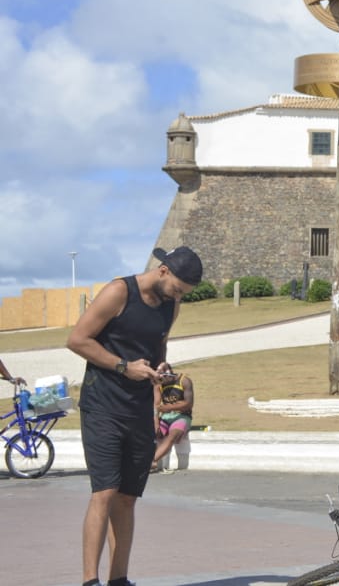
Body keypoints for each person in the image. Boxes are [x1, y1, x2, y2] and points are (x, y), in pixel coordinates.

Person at [67, 245, 202, 586]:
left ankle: (118, 579)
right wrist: (123, 366)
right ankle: (89, 581)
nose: (178, 296)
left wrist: (160, 366)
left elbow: (159, 343)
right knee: (105, 491)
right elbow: (77, 339)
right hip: (103, 405)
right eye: (177, 288)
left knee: (128, 497)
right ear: (163, 271)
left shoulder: (171, 304)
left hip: (139, 407)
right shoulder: (118, 291)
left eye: (184, 293)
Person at [151, 367, 194, 472]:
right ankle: (157, 464)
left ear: (169, 374)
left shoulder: (184, 381)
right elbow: (156, 407)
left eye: (163, 377)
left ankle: (152, 461)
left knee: (172, 435)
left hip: (182, 417)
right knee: (155, 435)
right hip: (165, 417)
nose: (161, 381)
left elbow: (188, 404)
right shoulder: (158, 385)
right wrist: (156, 425)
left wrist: (168, 407)